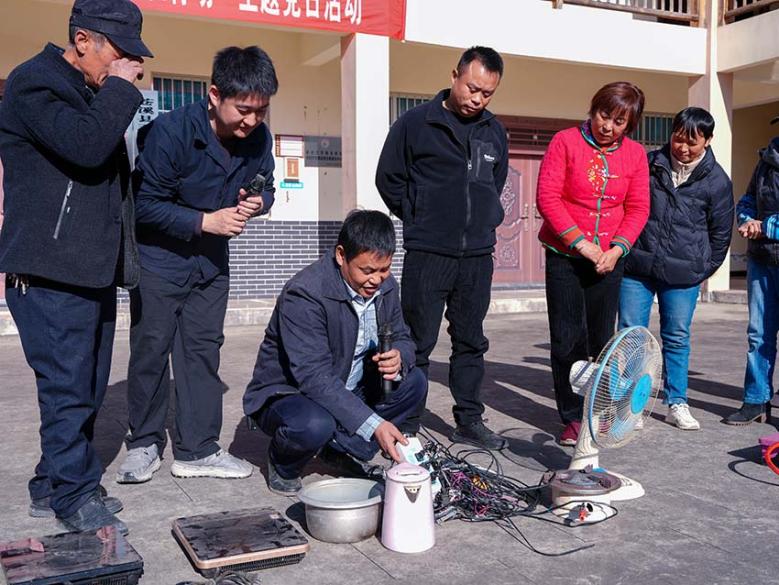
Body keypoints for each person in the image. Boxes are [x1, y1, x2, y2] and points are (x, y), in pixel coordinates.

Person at [0, 0, 151, 533]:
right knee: (66, 390)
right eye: (121, 51)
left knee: (84, 388)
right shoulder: (34, 83)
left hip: (88, 270)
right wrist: (121, 91)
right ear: (83, 39)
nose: (130, 63)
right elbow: (86, 147)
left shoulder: (91, 93)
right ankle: (72, 496)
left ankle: (52, 482)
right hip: (47, 270)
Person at [117, 46, 277, 483]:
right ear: (214, 94)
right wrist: (205, 220)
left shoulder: (258, 138)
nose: (252, 121)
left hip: (210, 266)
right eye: (244, 110)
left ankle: (198, 449)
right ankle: (145, 443)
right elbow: (145, 207)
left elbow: (269, 187)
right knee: (151, 352)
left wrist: (259, 202)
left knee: (203, 354)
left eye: (261, 111)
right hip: (159, 261)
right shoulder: (169, 132)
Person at [375, 46, 508, 450]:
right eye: (472, 88)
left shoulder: (493, 131)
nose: (477, 98)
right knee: (416, 340)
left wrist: (480, 219)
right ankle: (408, 419)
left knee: (471, 341)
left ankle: (469, 419)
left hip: (476, 257)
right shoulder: (416, 124)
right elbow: (388, 179)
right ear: (455, 75)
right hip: (429, 253)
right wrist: (420, 218)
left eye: (487, 93)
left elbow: (494, 183)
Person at [243, 210, 427, 495]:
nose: (377, 280)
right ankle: (284, 462)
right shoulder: (305, 293)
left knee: (414, 383)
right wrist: (375, 426)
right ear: (341, 255)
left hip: (346, 386)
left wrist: (400, 356)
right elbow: (314, 378)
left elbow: (403, 337)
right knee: (314, 424)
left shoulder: (386, 287)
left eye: (384, 269)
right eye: (367, 271)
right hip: (291, 395)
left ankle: (339, 448)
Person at [536, 81, 650, 446]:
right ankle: (571, 416)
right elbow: (548, 197)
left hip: (609, 259)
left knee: (604, 342)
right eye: (604, 115)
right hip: (567, 256)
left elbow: (638, 208)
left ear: (629, 126)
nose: (608, 126)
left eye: (619, 122)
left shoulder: (635, 155)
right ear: (593, 108)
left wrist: (616, 249)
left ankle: (601, 411)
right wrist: (582, 245)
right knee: (567, 340)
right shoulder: (565, 142)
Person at [618, 107, 734, 430]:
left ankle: (677, 402)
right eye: (678, 138)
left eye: (692, 142)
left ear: (708, 141)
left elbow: (721, 233)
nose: (682, 147)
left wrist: (701, 268)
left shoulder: (717, 181)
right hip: (638, 264)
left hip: (684, 274)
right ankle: (632, 404)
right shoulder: (651, 164)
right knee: (631, 334)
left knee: (677, 337)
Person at [725, 131, 779, 425]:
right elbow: (747, 200)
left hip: (767, 241)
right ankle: (756, 399)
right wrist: (746, 220)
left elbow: (767, 221)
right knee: (758, 334)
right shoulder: (765, 161)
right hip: (762, 261)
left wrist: (767, 226)